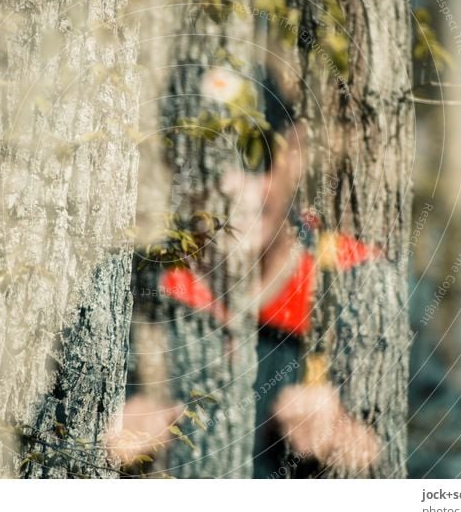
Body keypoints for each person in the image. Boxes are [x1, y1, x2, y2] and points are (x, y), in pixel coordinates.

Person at [108, 65, 381, 477]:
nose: (229, 187)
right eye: (202, 162)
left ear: (295, 157)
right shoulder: (128, 290)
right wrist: (101, 448)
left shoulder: (353, 278)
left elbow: (447, 440)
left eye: (254, 156)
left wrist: (356, 449)